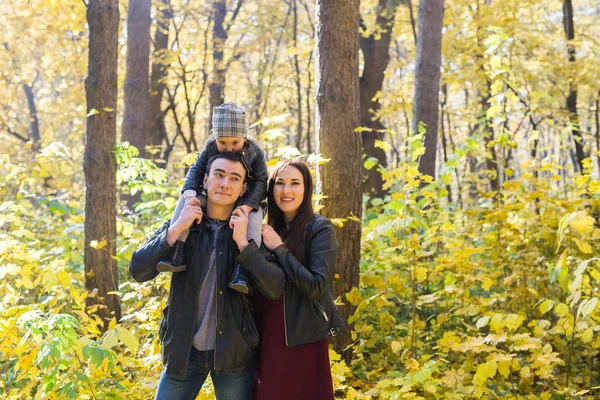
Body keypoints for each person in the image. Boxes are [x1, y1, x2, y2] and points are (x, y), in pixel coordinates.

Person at [129, 152, 285, 400]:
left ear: (244, 188)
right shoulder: (184, 226)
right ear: (204, 180)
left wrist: (244, 245)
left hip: (234, 353)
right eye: (219, 175)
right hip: (183, 350)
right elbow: (138, 270)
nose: (225, 183)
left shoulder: (250, 232)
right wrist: (176, 228)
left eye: (234, 178)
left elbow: (275, 287)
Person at [254, 160, 346, 400]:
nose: (286, 191)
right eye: (280, 183)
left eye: (295, 183)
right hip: (266, 331)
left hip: (300, 336)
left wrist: (279, 249)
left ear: (306, 189)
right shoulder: (266, 228)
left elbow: (316, 285)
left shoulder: (320, 228)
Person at [157, 102, 268, 296]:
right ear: (215, 138)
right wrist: (191, 195)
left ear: (244, 137)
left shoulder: (255, 153)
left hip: (246, 198)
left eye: (235, 143)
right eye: (222, 142)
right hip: (212, 194)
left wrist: (249, 206)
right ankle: (176, 250)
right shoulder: (210, 148)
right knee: (185, 203)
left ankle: (243, 269)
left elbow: (261, 181)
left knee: (255, 219)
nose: (228, 148)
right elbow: (196, 170)